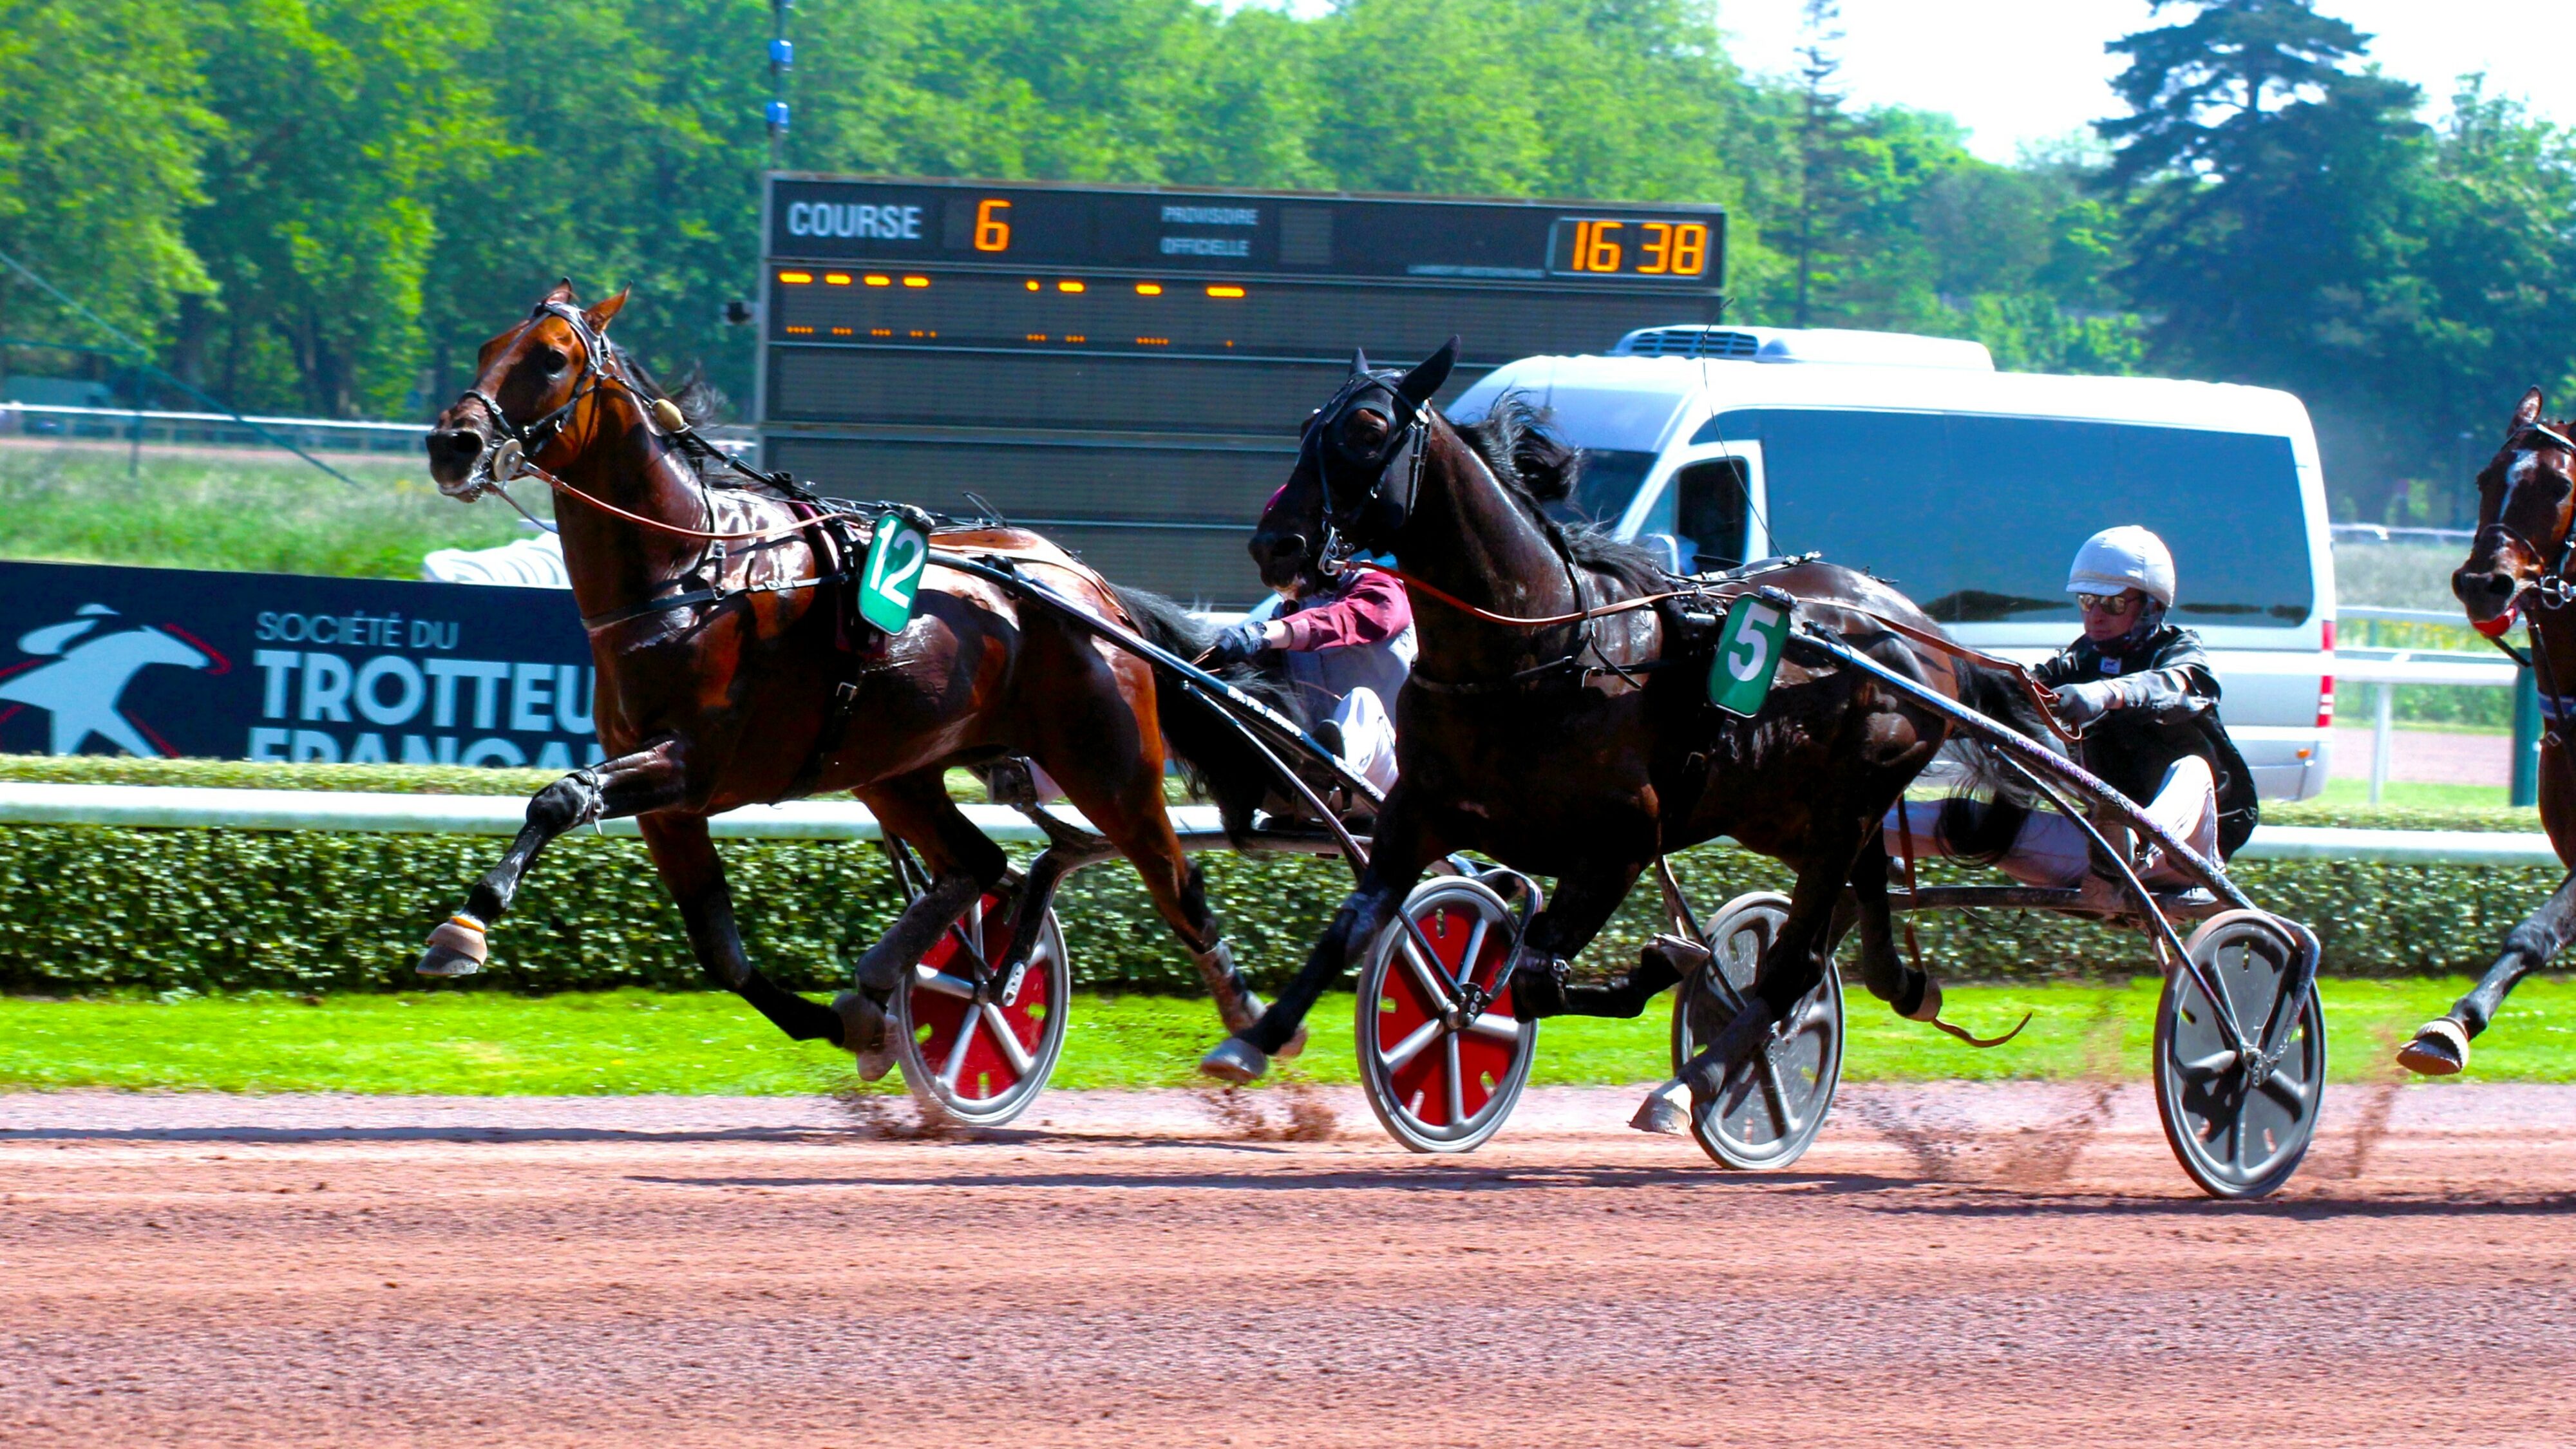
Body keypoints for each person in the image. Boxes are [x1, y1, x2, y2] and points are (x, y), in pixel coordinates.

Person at [1886, 525, 2258, 894]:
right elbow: (2011, 693)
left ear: (2151, 607)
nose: (2095, 615)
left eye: (2112, 603)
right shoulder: (2078, 659)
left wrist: (2106, 694)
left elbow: (2187, 686)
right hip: (2101, 844)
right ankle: (1856, 831)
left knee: (2192, 769)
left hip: (2191, 850)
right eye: (2087, 601)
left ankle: (2135, 847)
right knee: (1953, 819)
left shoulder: (2179, 653)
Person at [1203, 559, 1414, 793]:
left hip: (1395, 778)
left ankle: (1323, 781)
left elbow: (1344, 620)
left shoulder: (1382, 588)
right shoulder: (1287, 612)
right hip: (1315, 776)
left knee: (1362, 702)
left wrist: (1262, 633)